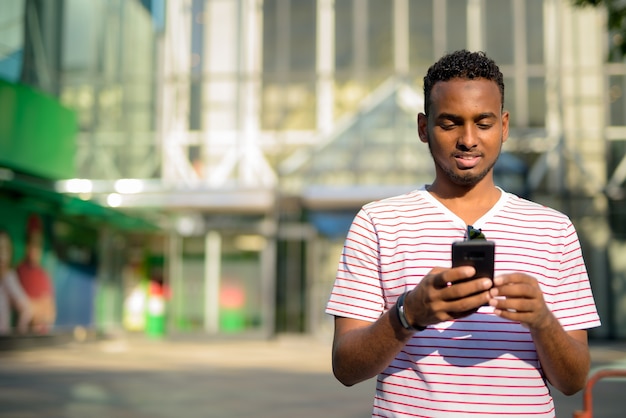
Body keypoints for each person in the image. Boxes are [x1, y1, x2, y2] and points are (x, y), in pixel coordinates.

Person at [325, 50, 601, 417]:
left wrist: (542, 321)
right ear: (423, 127)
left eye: (483, 123)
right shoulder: (378, 222)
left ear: (503, 126)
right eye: (450, 123)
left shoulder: (554, 229)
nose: (468, 139)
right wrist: (409, 314)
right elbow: (345, 368)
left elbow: (573, 381)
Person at [16, 214, 56, 333]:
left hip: (41, 337)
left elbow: (51, 313)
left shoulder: (44, 275)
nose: (34, 248)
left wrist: (36, 308)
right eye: (31, 243)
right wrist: (38, 307)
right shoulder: (17, 272)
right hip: (21, 336)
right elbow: (24, 308)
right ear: (26, 244)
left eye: (38, 244)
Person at [0, 229, 33, 335]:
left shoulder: (9, 278)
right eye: (0, 249)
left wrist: (17, 338)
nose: (3, 255)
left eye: (6, 249)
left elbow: (27, 309)